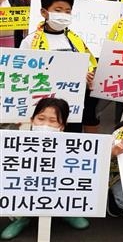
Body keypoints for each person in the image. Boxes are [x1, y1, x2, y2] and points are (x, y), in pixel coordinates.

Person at [0, 98, 90, 240]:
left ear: (62, 125)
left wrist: (111, 152)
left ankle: (67, 212)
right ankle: (22, 218)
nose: (45, 125)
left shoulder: (73, 146)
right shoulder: (16, 143)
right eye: (40, 118)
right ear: (32, 119)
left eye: (53, 121)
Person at [19, 0, 99, 133]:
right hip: (42, 108)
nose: (63, 15)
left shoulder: (76, 41)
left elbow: (88, 66)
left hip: (70, 108)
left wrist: (87, 76)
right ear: (44, 12)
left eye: (67, 11)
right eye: (58, 10)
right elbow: (21, 73)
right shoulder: (31, 41)